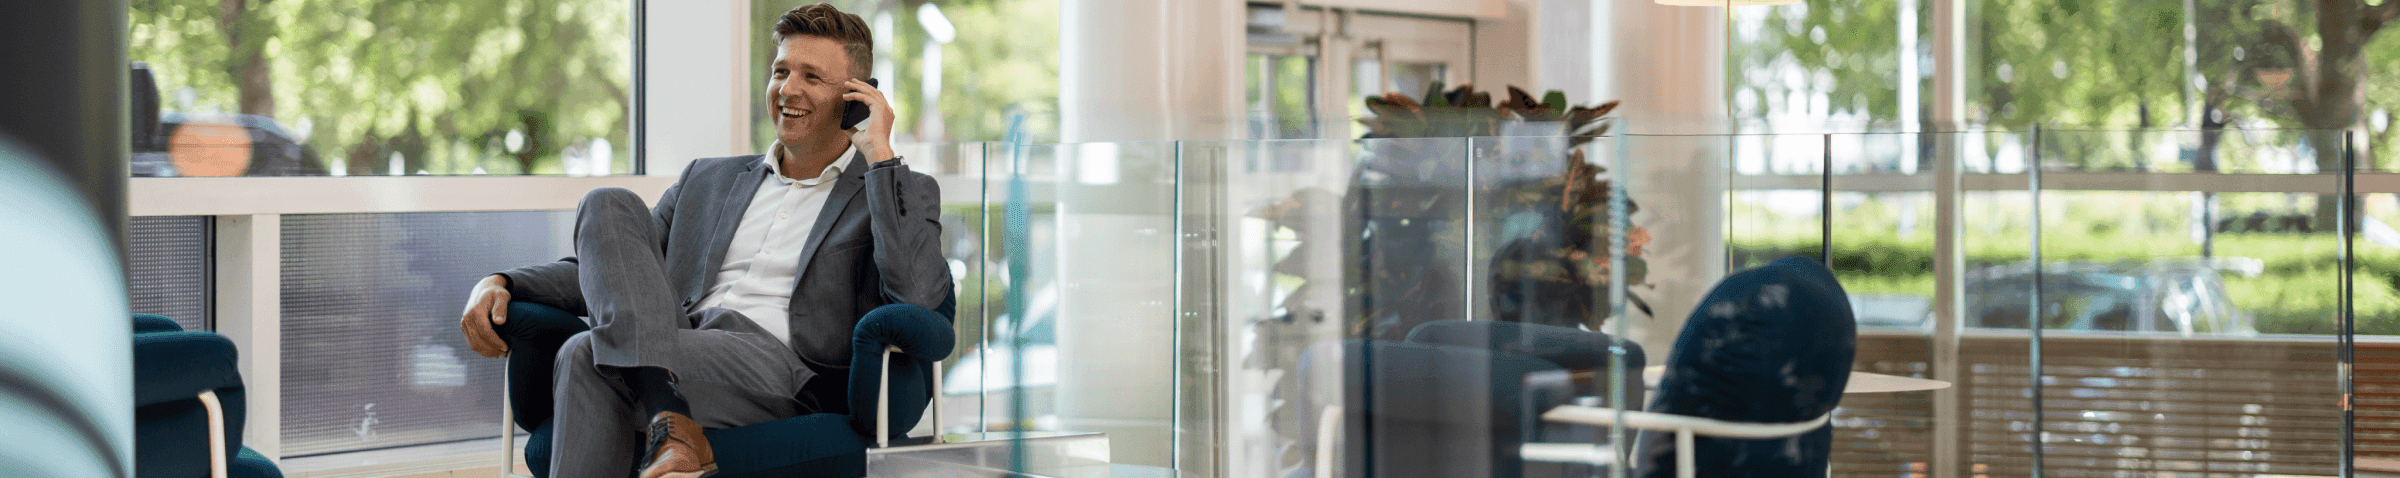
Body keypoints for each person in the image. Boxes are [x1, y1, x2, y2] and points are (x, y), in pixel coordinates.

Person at [455, 4, 952, 477]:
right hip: (677, 337)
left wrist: (881, 157)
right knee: (607, 202)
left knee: (585, 355)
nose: (787, 90)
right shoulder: (707, 178)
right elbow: (619, 270)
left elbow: (918, 296)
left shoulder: (892, 191)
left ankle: (666, 412)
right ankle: (670, 419)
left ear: (857, 96)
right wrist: (503, 281)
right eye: (781, 71)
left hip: (779, 368)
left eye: (812, 77)